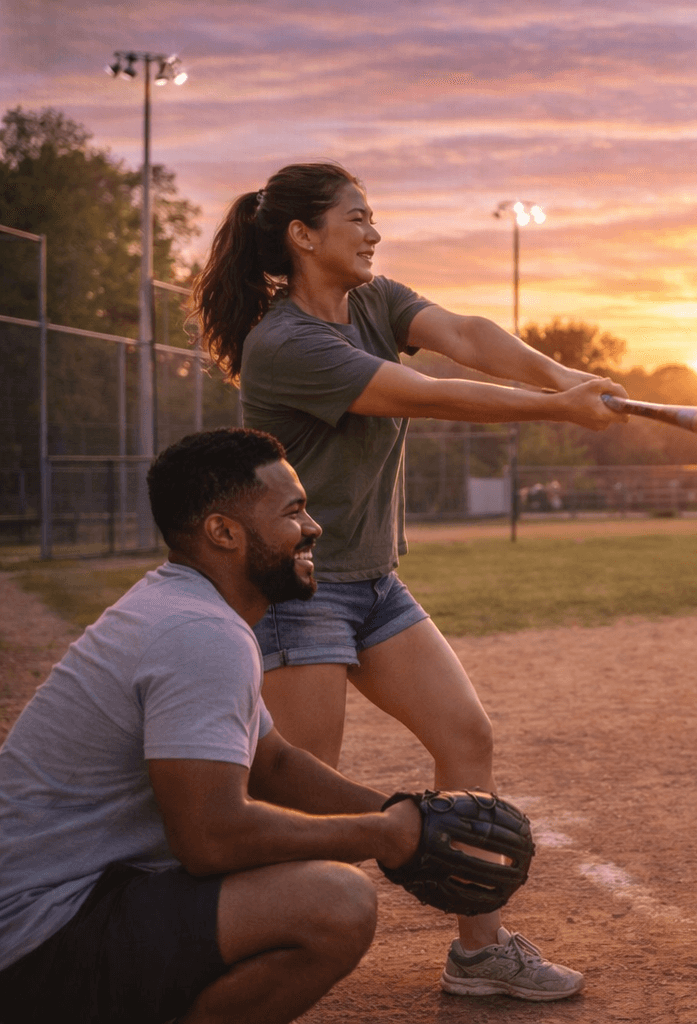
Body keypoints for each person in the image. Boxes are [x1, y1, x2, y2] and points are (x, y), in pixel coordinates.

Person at [193, 163, 620, 996]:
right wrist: (558, 409)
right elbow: (422, 393)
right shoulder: (283, 342)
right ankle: (241, 956)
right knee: (303, 793)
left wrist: (563, 378)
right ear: (303, 236)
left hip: (374, 581)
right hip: (299, 590)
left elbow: (468, 336)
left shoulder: (371, 300)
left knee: (467, 737)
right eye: (358, 217)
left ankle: (479, 951)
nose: (374, 231)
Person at [0, 429, 428, 1024]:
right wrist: (386, 838)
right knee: (337, 903)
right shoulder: (201, 633)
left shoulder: (187, 608)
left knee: (295, 872)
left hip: (67, 906)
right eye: (293, 511)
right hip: (35, 942)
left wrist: (409, 815)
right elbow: (212, 839)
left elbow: (272, 762)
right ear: (223, 532)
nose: (313, 527)